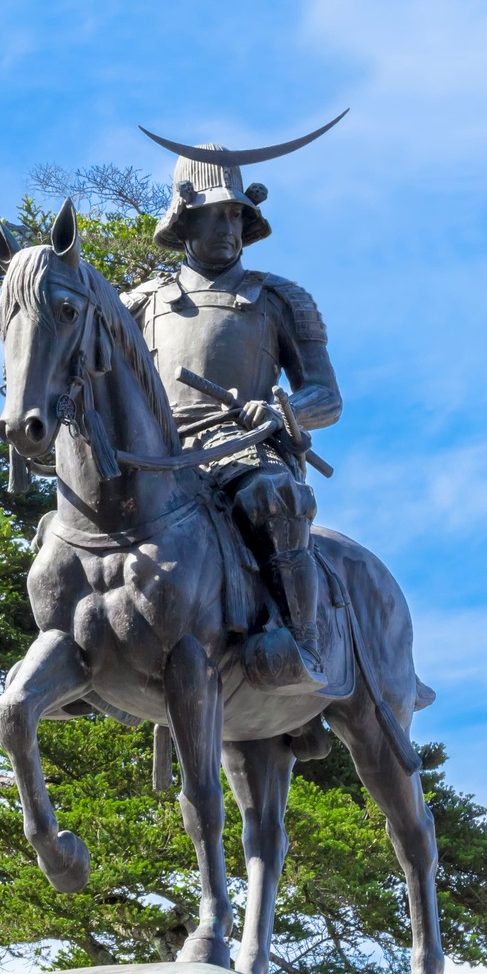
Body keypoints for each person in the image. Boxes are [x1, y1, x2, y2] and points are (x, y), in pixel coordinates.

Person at [123, 146, 342, 692]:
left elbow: (326, 396)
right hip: (157, 452)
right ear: (184, 218)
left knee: (277, 496)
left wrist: (277, 410)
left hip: (240, 446)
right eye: (213, 214)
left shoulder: (279, 299)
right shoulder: (138, 305)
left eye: (236, 214)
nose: (228, 226)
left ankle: (303, 640)